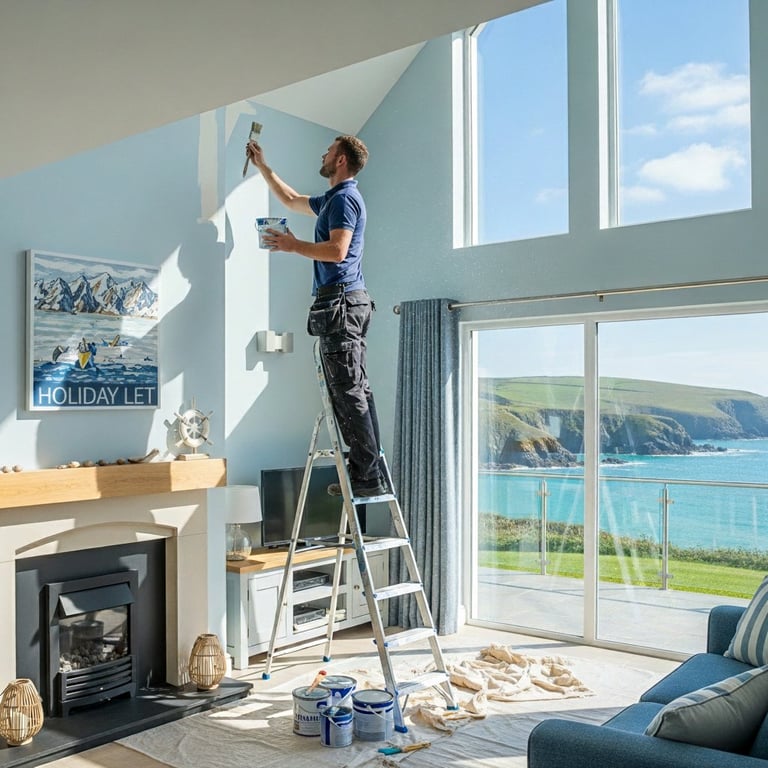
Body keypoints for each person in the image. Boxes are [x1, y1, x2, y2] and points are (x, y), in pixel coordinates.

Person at [246, 135, 387, 498]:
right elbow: (291, 199)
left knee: (348, 392)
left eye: (329, 150)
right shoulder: (331, 199)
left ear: (340, 160)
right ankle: (369, 471)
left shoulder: (344, 200)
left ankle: (366, 477)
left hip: (341, 302)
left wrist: (293, 246)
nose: (323, 154)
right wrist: (262, 166)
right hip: (344, 303)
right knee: (355, 390)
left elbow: (337, 251)